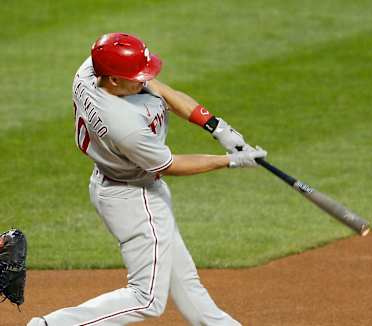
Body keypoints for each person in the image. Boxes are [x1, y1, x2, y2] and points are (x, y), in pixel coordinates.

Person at [28, 32, 266, 326]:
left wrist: (218, 128)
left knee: (185, 280)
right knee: (146, 298)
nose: (144, 80)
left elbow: (160, 90)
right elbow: (169, 165)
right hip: (134, 198)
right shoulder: (123, 125)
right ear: (114, 80)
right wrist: (230, 160)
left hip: (116, 183)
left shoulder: (92, 69)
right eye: (136, 76)